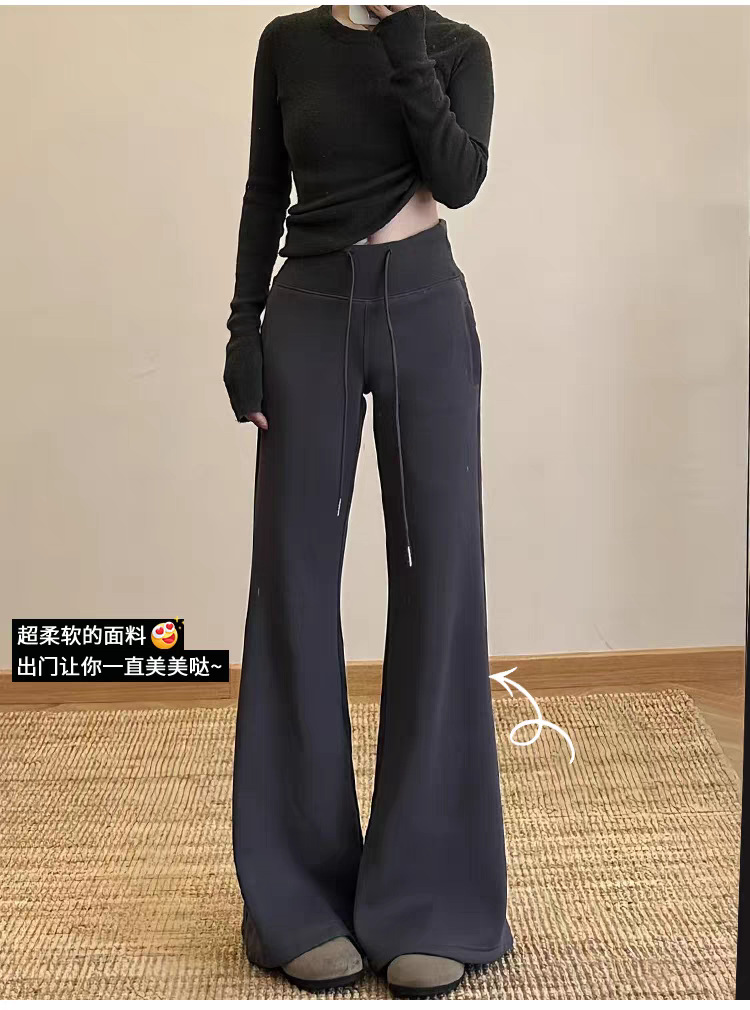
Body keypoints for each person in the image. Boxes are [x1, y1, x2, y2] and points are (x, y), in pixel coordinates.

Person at [224, 4, 513, 998]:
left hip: (425, 308)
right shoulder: (286, 43)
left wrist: (403, 48)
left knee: (440, 586)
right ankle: (295, 897)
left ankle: (431, 898)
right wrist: (241, 333)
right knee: (293, 587)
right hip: (306, 313)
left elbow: (459, 178)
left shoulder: (456, 48)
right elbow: (265, 188)